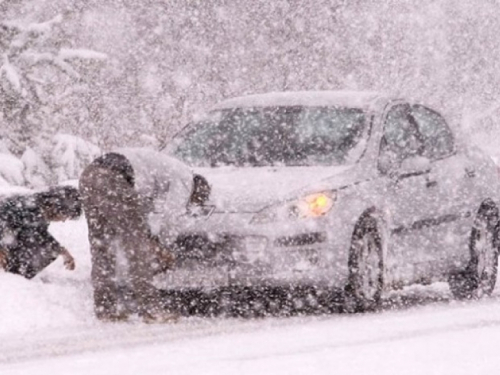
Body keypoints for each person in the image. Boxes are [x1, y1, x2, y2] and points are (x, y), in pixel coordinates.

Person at [79, 150, 193, 323]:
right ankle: (152, 310)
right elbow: (171, 215)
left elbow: (140, 212)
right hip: (113, 178)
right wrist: (163, 245)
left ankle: (105, 309)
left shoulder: (160, 170)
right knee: (137, 251)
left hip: (90, 175)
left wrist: (152, 239)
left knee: (101, 246)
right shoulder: (186, 177)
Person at [0, 186, 82, 279]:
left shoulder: (38, 209)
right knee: (42, 249)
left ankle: (15, 277)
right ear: (55, 206)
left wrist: (62, 251)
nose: (63, 220)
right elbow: (4, 224)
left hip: (9, 237)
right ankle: (13, 277)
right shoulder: (29, 207)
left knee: (46, 248)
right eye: (65, 215)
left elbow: (40, 233)